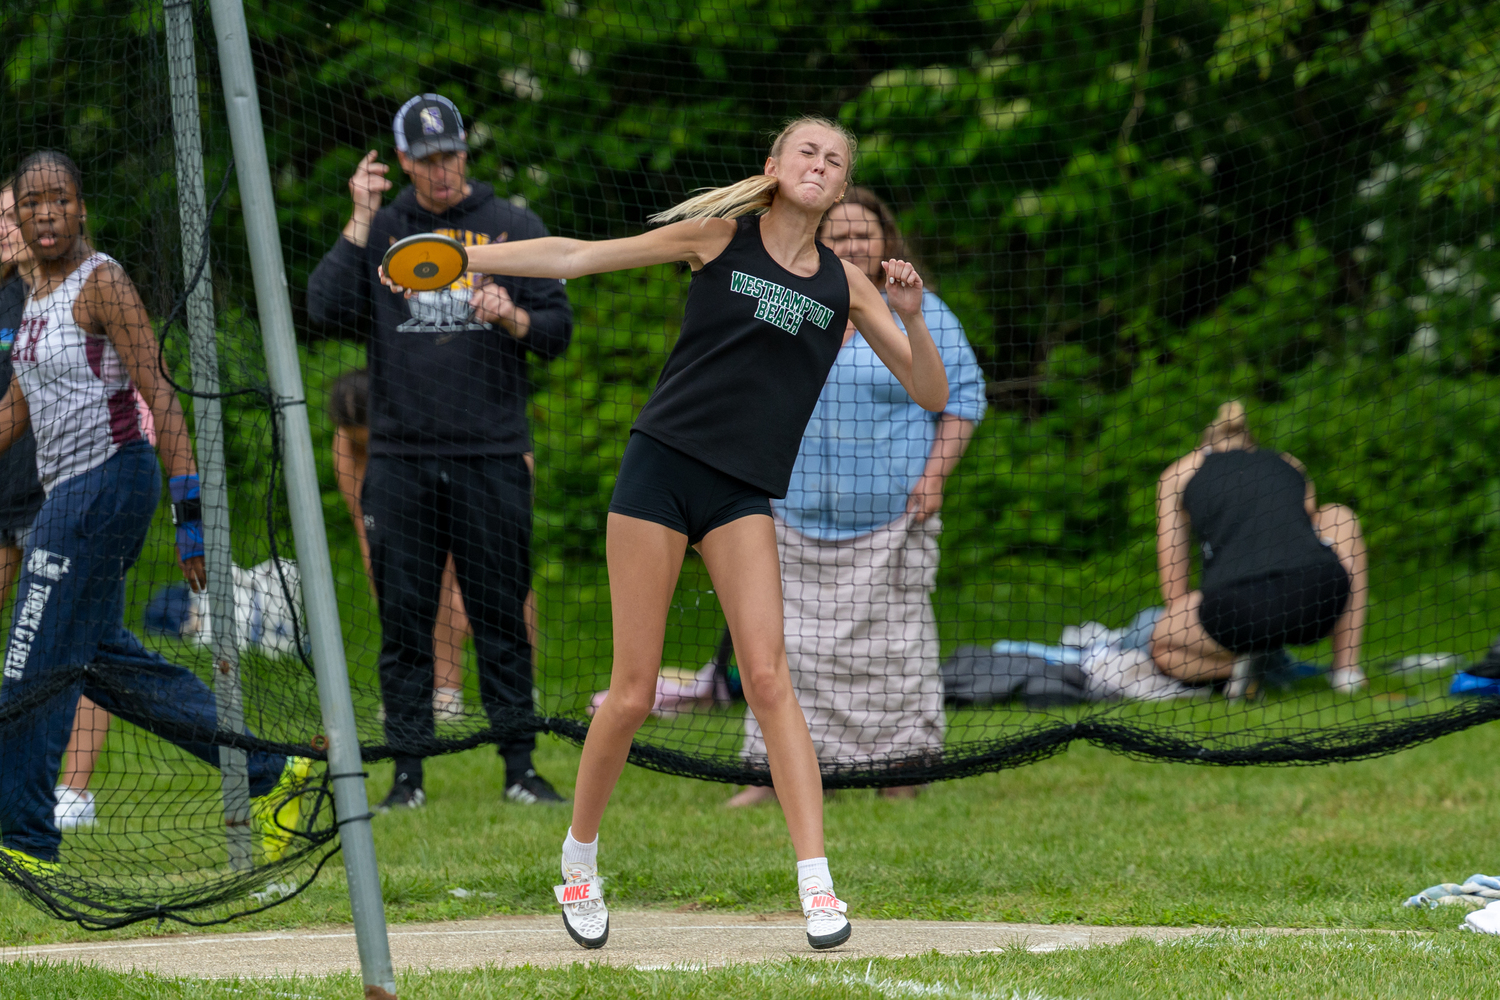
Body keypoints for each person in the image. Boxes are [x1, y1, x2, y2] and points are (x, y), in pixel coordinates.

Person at [386, 115, 951, 951]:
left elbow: (931, 394)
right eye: (808, 151)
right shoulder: (718, 237)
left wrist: (912, 314)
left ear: (839, 187)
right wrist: (470, 255)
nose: (821, 165)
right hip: (660, 470)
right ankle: (579, 860)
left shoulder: (848, 286)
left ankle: (818, 886)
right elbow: (576, 255)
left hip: (742, 493)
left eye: (835, 160)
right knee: (634, 691)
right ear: (775, 165)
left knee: (768, 675)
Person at [0, 150, 310, 871]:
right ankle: (273, 775)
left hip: (112, 480)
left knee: (30, 658)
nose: (46, 214)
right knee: (107, 663)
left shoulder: (101, 281)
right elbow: (19, 403)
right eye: (31, 204)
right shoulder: (32, 295)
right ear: (18, 218)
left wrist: (190, 514)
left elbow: (161, 394)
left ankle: (24, 842)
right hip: (70, 489)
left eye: (60, 201)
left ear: (81, 208)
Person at [307, 94, 573, 810]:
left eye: (450, 153)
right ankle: (408, 777)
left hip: (491, 452)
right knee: (405, 621)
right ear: (402, 163)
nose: (442, 169)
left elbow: (556, 332)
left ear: (464, 152)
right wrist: (360, 219)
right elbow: (325, 310)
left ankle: (520, 767)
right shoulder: (387, 229)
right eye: (426, 159)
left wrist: (510, 314)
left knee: (501, 615)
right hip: (400, 460)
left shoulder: (510, 226)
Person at [725, 187, 986, 806]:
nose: (851, 244)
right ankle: (775, 773)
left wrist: (935, 477)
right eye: (837, 235)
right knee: (784, 646)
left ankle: (900, 770)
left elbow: (964, 399)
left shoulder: (923, 313)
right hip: (788, 517)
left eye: (862, 235)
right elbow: (744, 394)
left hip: (893, 521)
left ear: (885, 243)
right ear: (816, 239)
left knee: (896, 649)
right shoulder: (787, 307)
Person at [1, 177, 108, 832]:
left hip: (63, 490)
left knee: (82, 636)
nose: (7, 225)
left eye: (14, 214)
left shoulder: (65, 286)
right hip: (1, 492)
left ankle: (74, 791)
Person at [1150, 401, 1368, 696]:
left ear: (1203, 446)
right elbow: (1309, 523)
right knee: (1340, 515)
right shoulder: (1288, 463)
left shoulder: (1177, 475)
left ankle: (1247, 667)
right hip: (1319, 599)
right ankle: (1346, 670)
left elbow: (1173, 591)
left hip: (1235, 611)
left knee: (1162, 646)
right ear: (1251, 444)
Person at [329, 369, 471, 722]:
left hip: (451, 502)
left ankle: (462, 689)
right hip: (390, 512)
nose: (359, 439)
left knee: (452, 595)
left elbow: (447, 519)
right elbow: (364, 522)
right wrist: (380, 576)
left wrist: (452, 583)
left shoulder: (419, 424)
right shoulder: (344, 444)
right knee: (402, 595)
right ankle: (423, 691)